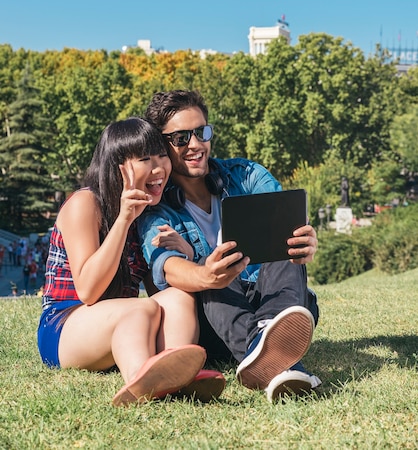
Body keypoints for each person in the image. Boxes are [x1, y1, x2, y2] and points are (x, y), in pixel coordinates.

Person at [139, 90, 321, 402]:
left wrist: (305, 240)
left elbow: (290, 217)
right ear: (161, 146)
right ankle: (269, 354)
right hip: (215, 318)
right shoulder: (156, 207)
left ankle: (263, 343)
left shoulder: (246, 175)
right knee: (208, 274)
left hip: (276, 301)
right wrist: (205, 271)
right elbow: (167, 266)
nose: (196, 145)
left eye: (201, 132)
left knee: (283, 240)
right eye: (181, 138)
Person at [37, 117, 225, 406]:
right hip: (65, 327)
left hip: (120, 326)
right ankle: (141, 379)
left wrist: (186, 254)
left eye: (162, 155)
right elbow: (88, 291)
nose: (159, 167)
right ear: (119, 167)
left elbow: (158, 292)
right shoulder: (85, 205)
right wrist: (124, 219)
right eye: (145, 159)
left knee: (177, 297)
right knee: (140, 310)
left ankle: (178, 370)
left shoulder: (150, 214)